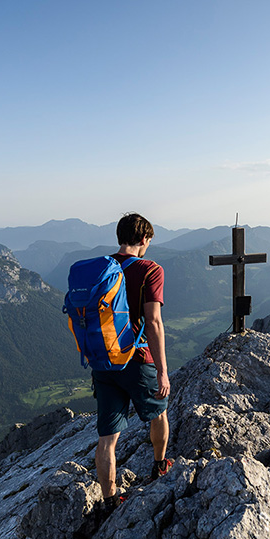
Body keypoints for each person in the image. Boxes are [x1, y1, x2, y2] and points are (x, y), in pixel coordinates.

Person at [93, 213, 172, 508]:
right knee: (159, 414)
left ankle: (110, 499)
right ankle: (160, 465)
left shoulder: (102, 268)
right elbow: (153, 322)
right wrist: (162, 371)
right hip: (137, 360)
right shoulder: (150, 269)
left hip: (104, 361)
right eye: (149, 240)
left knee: (107, 438)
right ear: (144, 239)